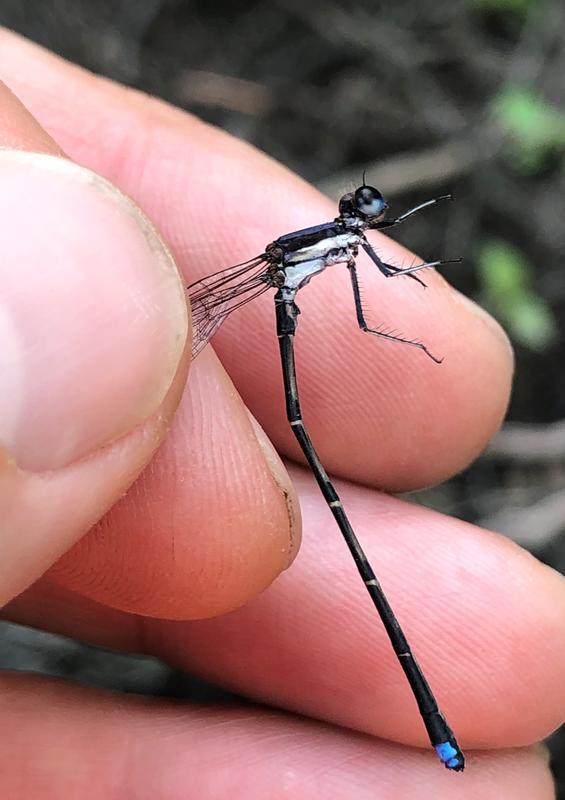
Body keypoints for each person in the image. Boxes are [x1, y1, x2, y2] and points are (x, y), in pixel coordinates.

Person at [0, 27, 562, 798]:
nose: (369, 215)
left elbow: (371, 282)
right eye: (363, 210)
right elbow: (367, 316)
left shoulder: (345, 239)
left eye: (370, 211)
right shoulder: (331, 245)